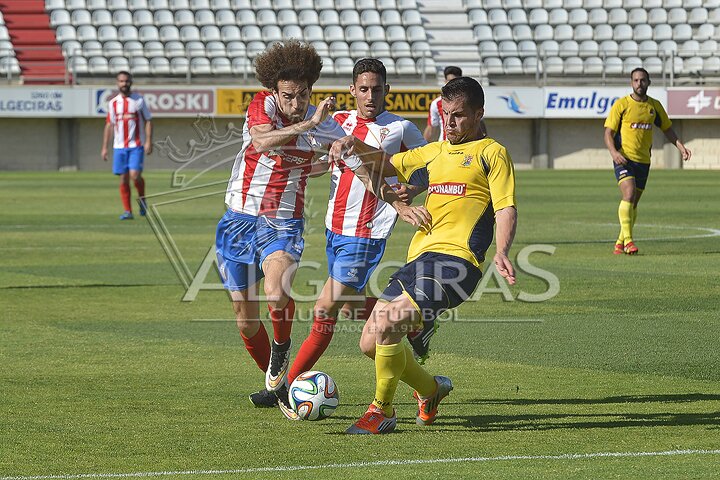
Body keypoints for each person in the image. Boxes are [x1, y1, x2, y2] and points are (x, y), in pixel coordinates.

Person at [330, 76, 518, 434]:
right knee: (370, 342)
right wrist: (353, 144)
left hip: (459, 262)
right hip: (419, 259)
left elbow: (505, 208)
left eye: (459, 116)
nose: (450, 122)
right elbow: (385, 163)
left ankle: (381, 410)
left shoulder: (492, 152)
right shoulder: (435, 151)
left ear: (478, 114)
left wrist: (503, 250)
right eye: (446, 114)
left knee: (389, 324)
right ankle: (430, 390)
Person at [214, 40, 346, 420]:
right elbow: (261, 140)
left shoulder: (327, 125)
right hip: (238, 220)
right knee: (244, 316)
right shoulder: (264, 105)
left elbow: (348, 155)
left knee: (277, 292)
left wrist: (339, 154)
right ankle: (279, 383)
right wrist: (310, 125)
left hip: (282, 222)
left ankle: (282, 351)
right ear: (275, 91)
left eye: (303, 95)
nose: (296, 102)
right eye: (289, 95)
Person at [604, 67, 691, 255]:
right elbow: (608, 133)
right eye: (635, 80)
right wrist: (613, 152)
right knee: (628, 194)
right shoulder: (622, 105)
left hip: (643, 161)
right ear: (631, 83)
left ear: (648, 82)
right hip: (623, 157)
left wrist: (680, 146)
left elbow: (667, 129)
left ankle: (619, 242)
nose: (639, 84)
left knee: (633, 203)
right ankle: (628, 241)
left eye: (642, 80)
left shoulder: (654, 106)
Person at [101, 71, 153, 220]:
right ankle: (128, 211)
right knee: (123, 179)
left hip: (136, 145)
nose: (124, 84)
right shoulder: (113, 103)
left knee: (135, 176)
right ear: (117, 83)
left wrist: (149, 140)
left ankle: (142, 200)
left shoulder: (139, 100)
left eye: (127, 81)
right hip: (119, 147)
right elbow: (109, 125)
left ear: (131, 82)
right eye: (121, 81)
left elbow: (148, 120)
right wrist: (105, 147)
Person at [423, 66, 462, 142]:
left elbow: (479, 124)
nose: (453, 84)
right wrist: (421, 149)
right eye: (450, 81)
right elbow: (431, 128)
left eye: (455, 81)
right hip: (445, 146)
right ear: (445, 81)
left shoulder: (470, 101)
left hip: (466, 146)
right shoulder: (437, 103)